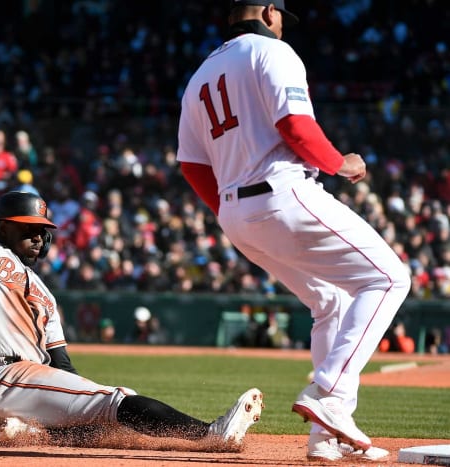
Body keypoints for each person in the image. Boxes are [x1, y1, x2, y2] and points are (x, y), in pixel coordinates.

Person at [0, 104, 263, 448]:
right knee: (116, 400)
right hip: (4, 378)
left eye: (43, 231)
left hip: (31, 384)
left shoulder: (45, 293)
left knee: (103, 424)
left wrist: (80, 398)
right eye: (29, 228)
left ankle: (30, 432)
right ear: (2, 228)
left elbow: (62, 366)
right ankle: (210, 434)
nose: (39, 236)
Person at [176, 1, 410, 461]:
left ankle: (325, 439)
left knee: (331, 300)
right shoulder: (273, 52)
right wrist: (340, 163)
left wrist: (229, 209)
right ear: (268, 11)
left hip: (235, 212)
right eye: (282, 16)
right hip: (281, 193)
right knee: (389, 278)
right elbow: (295, 126)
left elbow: (191, 164)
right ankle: (327, 393)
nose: (282, 24)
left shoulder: (199, 77)